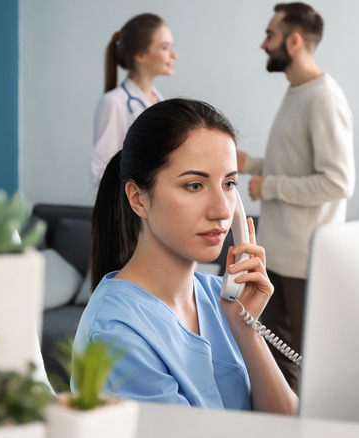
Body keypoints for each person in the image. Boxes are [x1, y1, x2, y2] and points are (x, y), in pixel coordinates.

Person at [74, 98, 298, 414]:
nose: (222, 210)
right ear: (138, 199)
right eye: (194, 185)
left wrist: (246, 328)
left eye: (229, 184)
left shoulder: (219, 299)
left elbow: (289, 425)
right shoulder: (116, 333)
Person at [236, 2, 355, 394]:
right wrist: (252, 164)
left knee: (305, 367)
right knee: (276, 363)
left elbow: (338, 182)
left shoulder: (324, 97)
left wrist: (268, 186)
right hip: (281, 257)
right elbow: (297, 162)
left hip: (305, 262)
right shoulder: (298, 92)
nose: (262, 44)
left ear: (295, 40)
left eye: (269, 35)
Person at [90, 13, 177, 185]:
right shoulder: (114, 102)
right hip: (131, 207)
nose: (174, 55)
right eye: (165, 47)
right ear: (141, 55)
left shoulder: (160, 101)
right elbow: (100, 173)